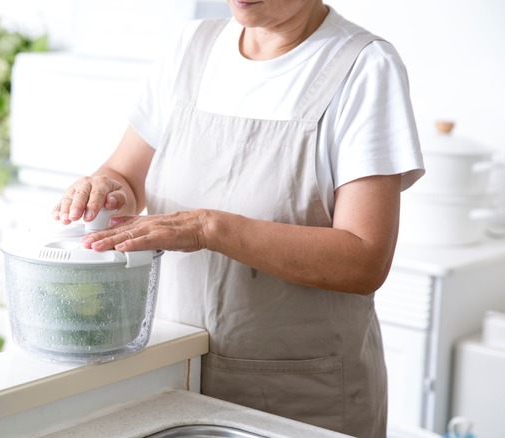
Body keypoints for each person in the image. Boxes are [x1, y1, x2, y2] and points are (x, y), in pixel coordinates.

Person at [52, 1, 424, 437]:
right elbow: (125, 174)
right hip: (172, 377)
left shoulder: (364, 67)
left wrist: (210, 228)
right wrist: (106, 188)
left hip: (297, 399)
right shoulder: (192, 48)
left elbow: (364, 260)